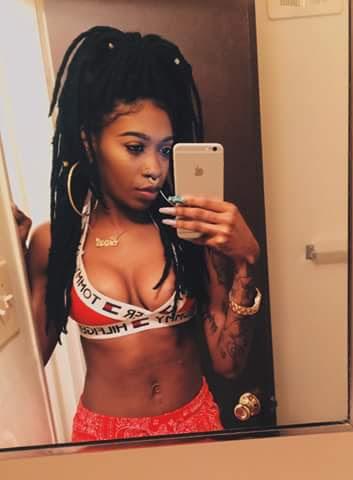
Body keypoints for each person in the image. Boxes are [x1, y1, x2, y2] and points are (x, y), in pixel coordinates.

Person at [17, 26, 262, 442]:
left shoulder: (189, 231)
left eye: (165, 149)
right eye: (135, 148)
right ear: (89, 142)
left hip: (195, 427)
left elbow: (228, 363)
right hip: (103, 439)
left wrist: (245, 264)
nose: (155, 168)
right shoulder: (56, 243)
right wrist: (7, 262)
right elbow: (25, 368)